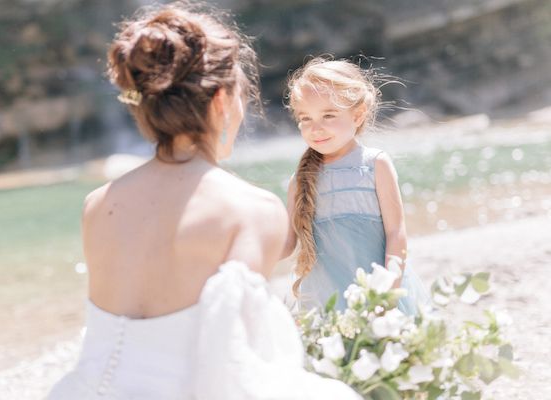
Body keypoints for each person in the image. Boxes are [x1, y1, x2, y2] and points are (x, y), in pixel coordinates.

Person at [48, 4, 361, 399]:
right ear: (220, 102)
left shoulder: (97, 204)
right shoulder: (251, 209)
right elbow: (232, 363)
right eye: (242, 95)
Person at [282, 57, 430, 315]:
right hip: (324, 299)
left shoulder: (375, 164)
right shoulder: (300, 181)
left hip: (378, 291)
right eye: (305, 118)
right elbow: (285, 244)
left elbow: (396, 232)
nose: (316, 128)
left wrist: (389, 289)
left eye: (328, 115)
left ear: (358, 114)